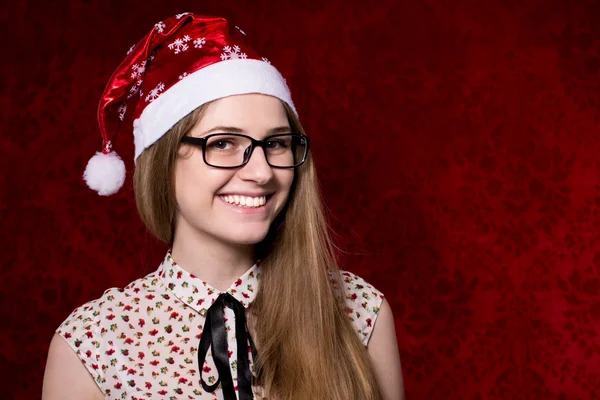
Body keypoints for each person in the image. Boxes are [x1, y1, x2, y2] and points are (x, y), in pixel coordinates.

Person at [42, 13, 404, 400]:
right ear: (163, 159)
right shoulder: (94, 343)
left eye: (276, 143)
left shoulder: (360, 312)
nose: (262, 172)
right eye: (222, 143)